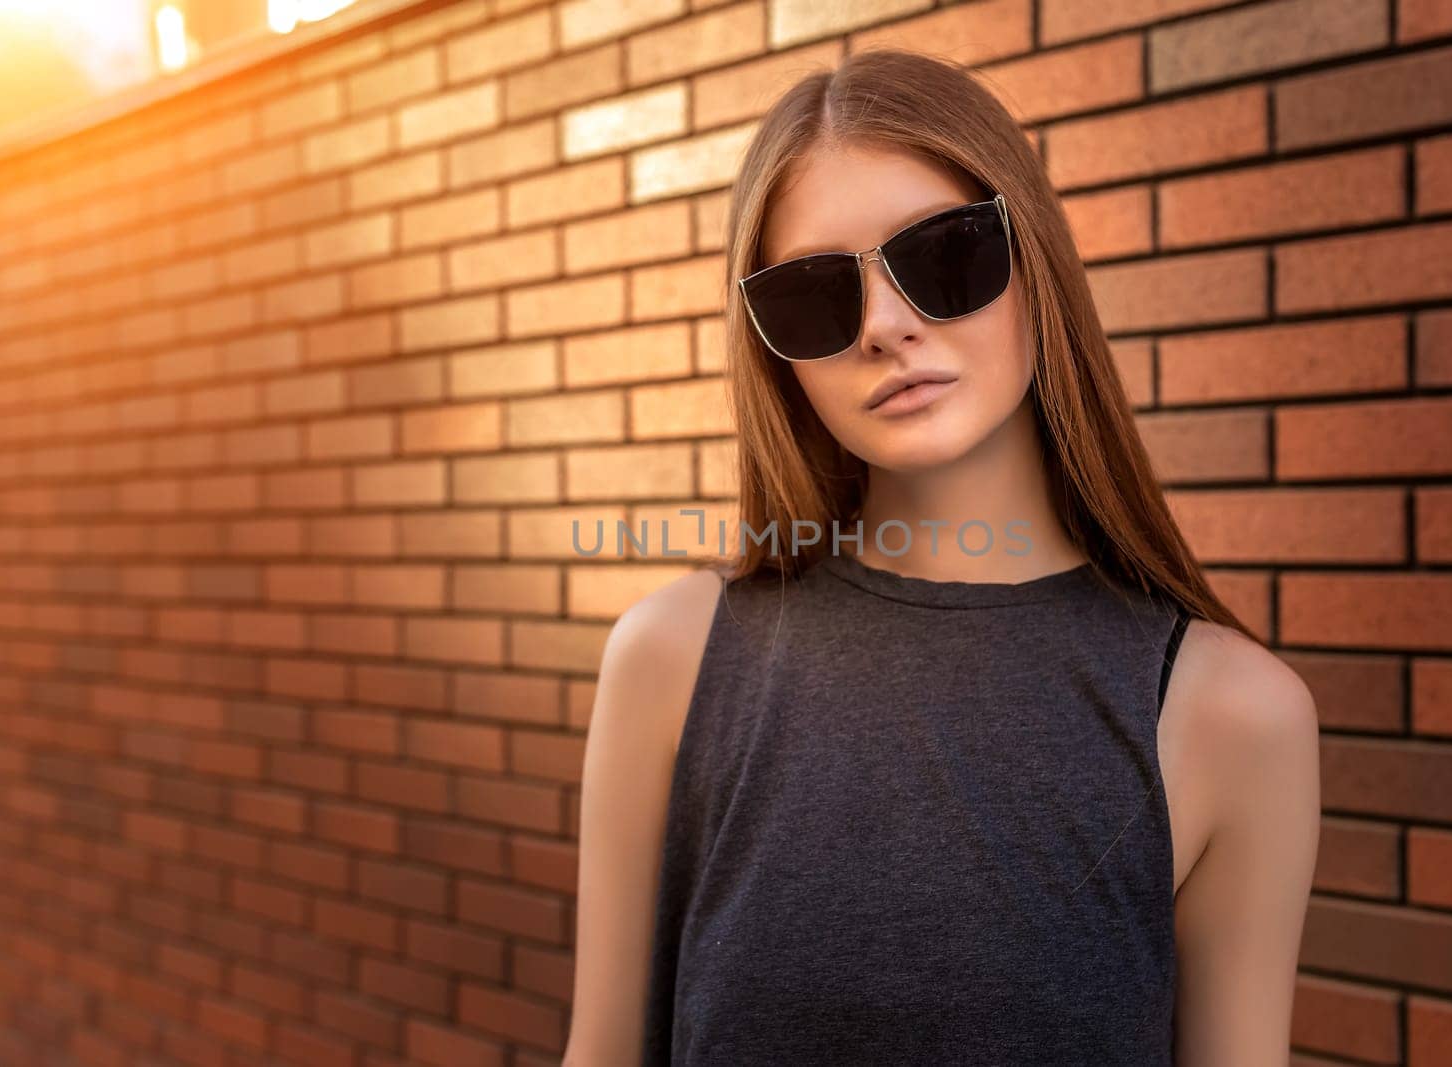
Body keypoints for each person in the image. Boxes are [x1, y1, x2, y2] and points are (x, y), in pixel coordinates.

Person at [562, 49, 1320, 1067]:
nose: (884, 326)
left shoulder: (1235, 714)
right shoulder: (671, 659)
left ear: (1033, 257)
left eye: (945, 254)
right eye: (814, 297)